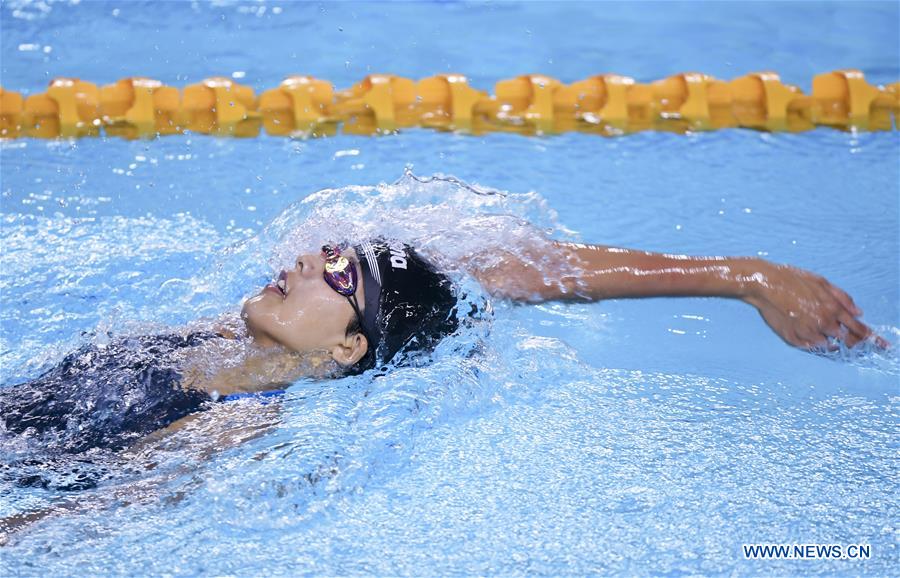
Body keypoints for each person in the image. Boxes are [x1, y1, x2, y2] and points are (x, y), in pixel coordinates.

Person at [1, 237, 888, 462]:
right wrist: (739, 276)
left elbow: (76, 521)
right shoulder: (205, 337)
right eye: (323, 253)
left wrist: (746, 277)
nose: (306, 260)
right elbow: (507, 268)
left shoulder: (231, 429)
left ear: (348, 351)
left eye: (336, 276)